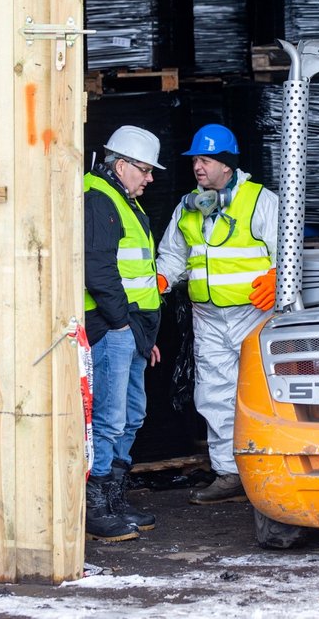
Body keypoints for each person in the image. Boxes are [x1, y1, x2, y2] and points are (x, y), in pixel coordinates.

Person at [156, 123, 279, 505]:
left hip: (255, 315)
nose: (198, 166)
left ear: (227, 165)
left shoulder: (260, 201)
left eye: (206, 159)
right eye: (195, 159)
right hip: (207, 317)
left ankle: (274, 469)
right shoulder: (188, 206)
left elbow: (290, 251)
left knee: (267, 393)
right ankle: (229, 474)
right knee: (213, 395)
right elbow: (174, 255)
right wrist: (160, 279)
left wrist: (280, 279)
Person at [83, 125, 164, 541]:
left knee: (131, 417)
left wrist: (142, 335)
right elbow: (98, 270)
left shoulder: (123, 202)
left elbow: (136, 275)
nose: (150, 179)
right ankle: (95, 505)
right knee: (109, 420)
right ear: (121, 165)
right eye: (145, 170)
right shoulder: (99, 200)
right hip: (115, 329)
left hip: (133, 330)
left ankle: (114, 497)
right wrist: (123, 326)